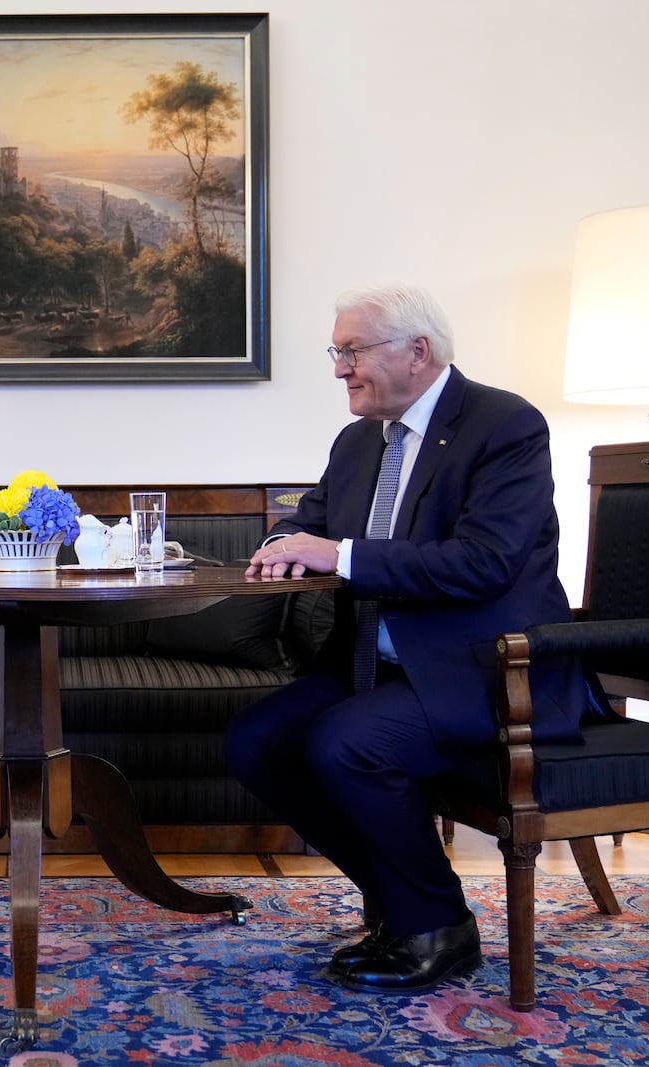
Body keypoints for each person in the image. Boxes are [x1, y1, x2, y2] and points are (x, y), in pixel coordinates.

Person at [226, 284, 591, 993]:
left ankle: (437, 925)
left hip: (484, 669)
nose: (339, 367)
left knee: (347, 742)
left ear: (416, 351)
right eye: (339, 351)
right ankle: (405, 899)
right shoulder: (360, 441)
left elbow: (485, 561)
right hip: (379, 662)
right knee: (255, 741)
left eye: (351, 350)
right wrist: (284, 543)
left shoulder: (505, 426)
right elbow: (309, 519)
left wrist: (344, 554)